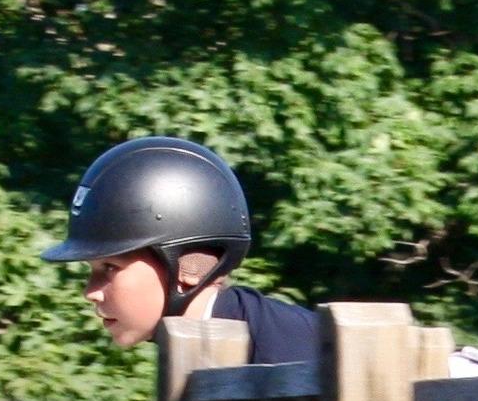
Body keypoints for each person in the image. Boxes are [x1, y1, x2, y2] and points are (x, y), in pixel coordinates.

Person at [43, 137, 323, 365]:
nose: (90, 292)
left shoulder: (287, 354)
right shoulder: (198, 347)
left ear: (189, 266)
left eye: (110, 268)